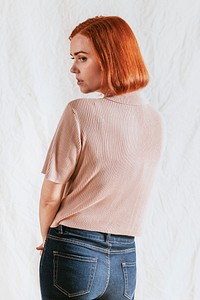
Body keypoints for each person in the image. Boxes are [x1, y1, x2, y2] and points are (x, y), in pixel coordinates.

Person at [37, 16, 165, 300]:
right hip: (125, 259)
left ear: (110, 57)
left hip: (73, 248)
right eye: (73, 58)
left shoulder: (79, 112)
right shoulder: (155, 121)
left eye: (82, 58)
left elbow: (50, 195)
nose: (73, 68)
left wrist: (49, 240)